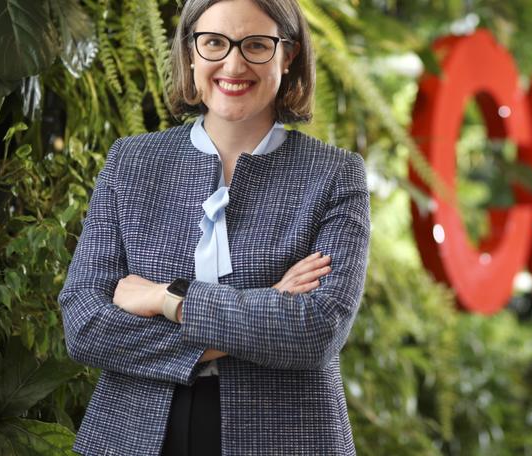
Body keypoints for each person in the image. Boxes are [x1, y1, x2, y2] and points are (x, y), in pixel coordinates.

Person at [58, 0, 370, 454]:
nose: (233, 63)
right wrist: (270, 305)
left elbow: (317, 332)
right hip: (133, 432)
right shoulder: (131, 162)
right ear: (190, 52)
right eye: (214, 43)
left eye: (257, 45)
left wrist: (166, 299)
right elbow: (84, 325)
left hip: (287, 435)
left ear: (289, 55)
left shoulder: (335, 174)